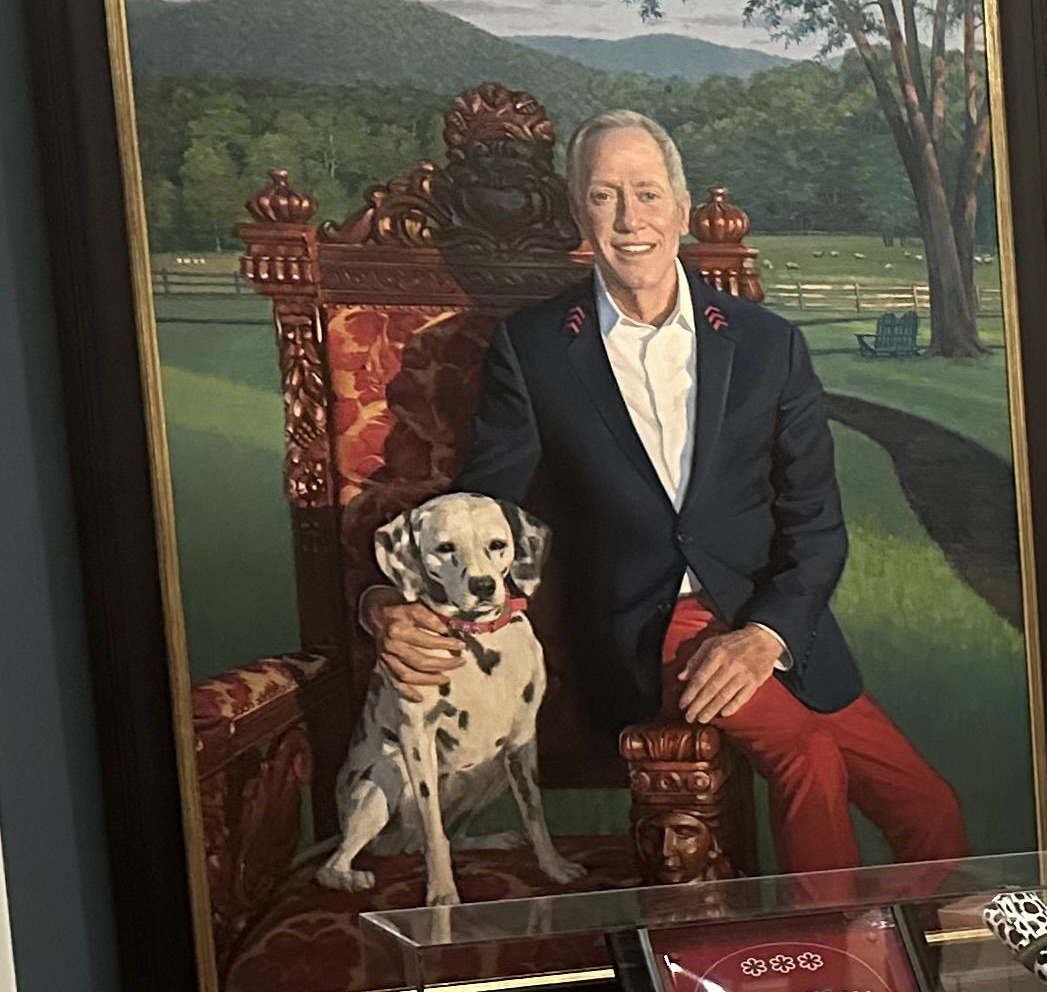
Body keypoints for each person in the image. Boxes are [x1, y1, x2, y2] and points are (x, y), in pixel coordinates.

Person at [371, 109, 966, 877]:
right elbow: (482, 506)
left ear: (682, 210)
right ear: (579, 212)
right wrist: (382, 603)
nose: (630, 219)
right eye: (605, 196)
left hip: (775, 621)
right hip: (644, 629)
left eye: (648, 194)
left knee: (932, 807)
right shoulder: (536, 347)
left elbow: (816, 526)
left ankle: (920, 957)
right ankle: (821, 955)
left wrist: (767, 634)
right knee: (808, 756)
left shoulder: (766, 344)